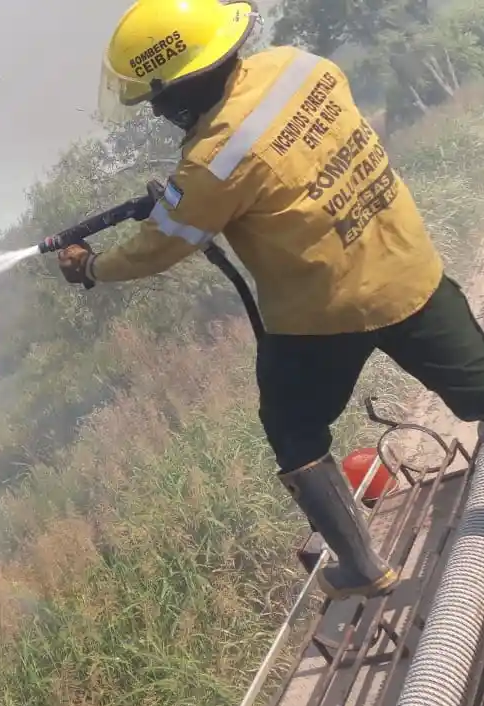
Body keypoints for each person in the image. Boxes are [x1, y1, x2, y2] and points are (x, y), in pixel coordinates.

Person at [57, 0, 484, 600]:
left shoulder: (213, 161)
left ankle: (365, 569)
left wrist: (90, 266)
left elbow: (159, 246)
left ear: (183, 87)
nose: (156, 110)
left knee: (293, 429)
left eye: (158, 97)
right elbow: (286, 164)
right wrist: (187, 194)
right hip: (408, 270)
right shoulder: (302, 66)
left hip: (323, 315)